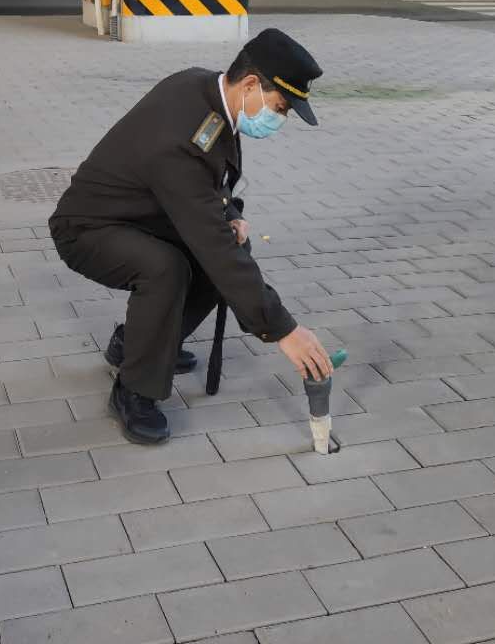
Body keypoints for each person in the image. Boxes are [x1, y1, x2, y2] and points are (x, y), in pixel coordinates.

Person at [49, 28, 334, 444]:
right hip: (89, 228)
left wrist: (229, 211)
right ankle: (134, 389)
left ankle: (136, 344)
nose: (281, 118)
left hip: (140, 214)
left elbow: (207, 177)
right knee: (168, 268)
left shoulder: (207, 89)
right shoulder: (182, 133)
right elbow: (202, 210)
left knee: (226, 248)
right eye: (280, 107)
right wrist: (284, 330)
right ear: (252, 84)